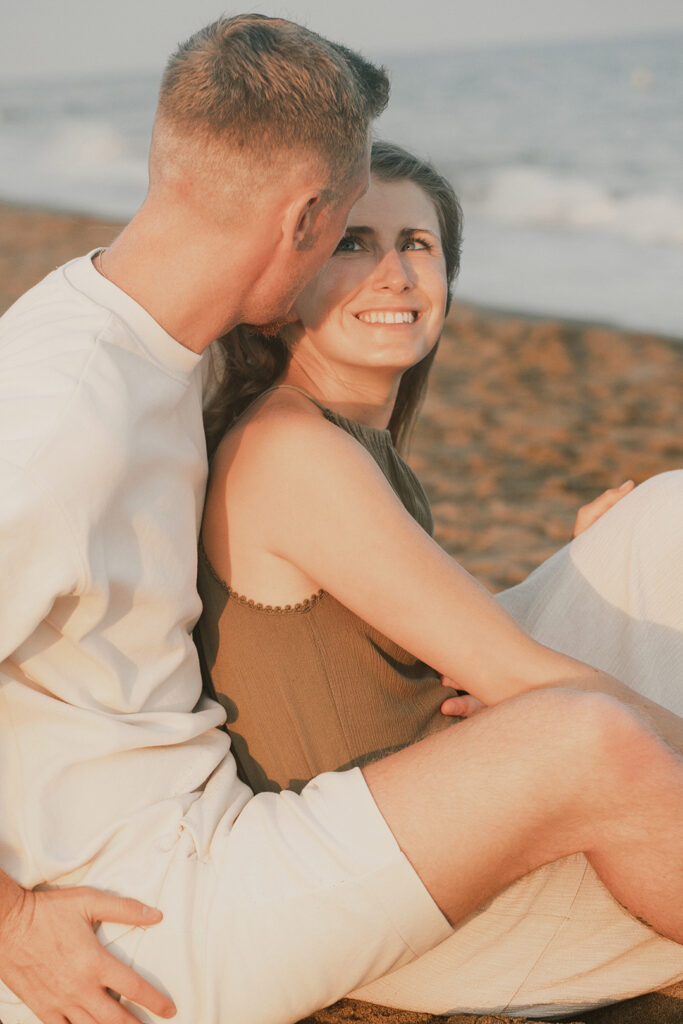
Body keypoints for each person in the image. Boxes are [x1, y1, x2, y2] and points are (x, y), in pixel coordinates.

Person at [0, 18, 680, 1024]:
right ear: (306, 218)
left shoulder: (144, 336)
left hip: (235, 817)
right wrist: (12, 918)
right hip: (159, 904)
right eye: (349, 224)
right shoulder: (65, 413)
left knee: (653, 532)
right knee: (587, 740)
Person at [195, 140, 683, 1017]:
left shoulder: (347, 440)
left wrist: (584, 564)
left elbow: (393, 652)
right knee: (601, 724)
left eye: (415, 244)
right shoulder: (289, 448)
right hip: (400, 906)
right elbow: (517, 681)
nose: (393, 271)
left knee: (658, 523)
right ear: (280, 288)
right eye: (351, 244)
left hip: (445, 817)